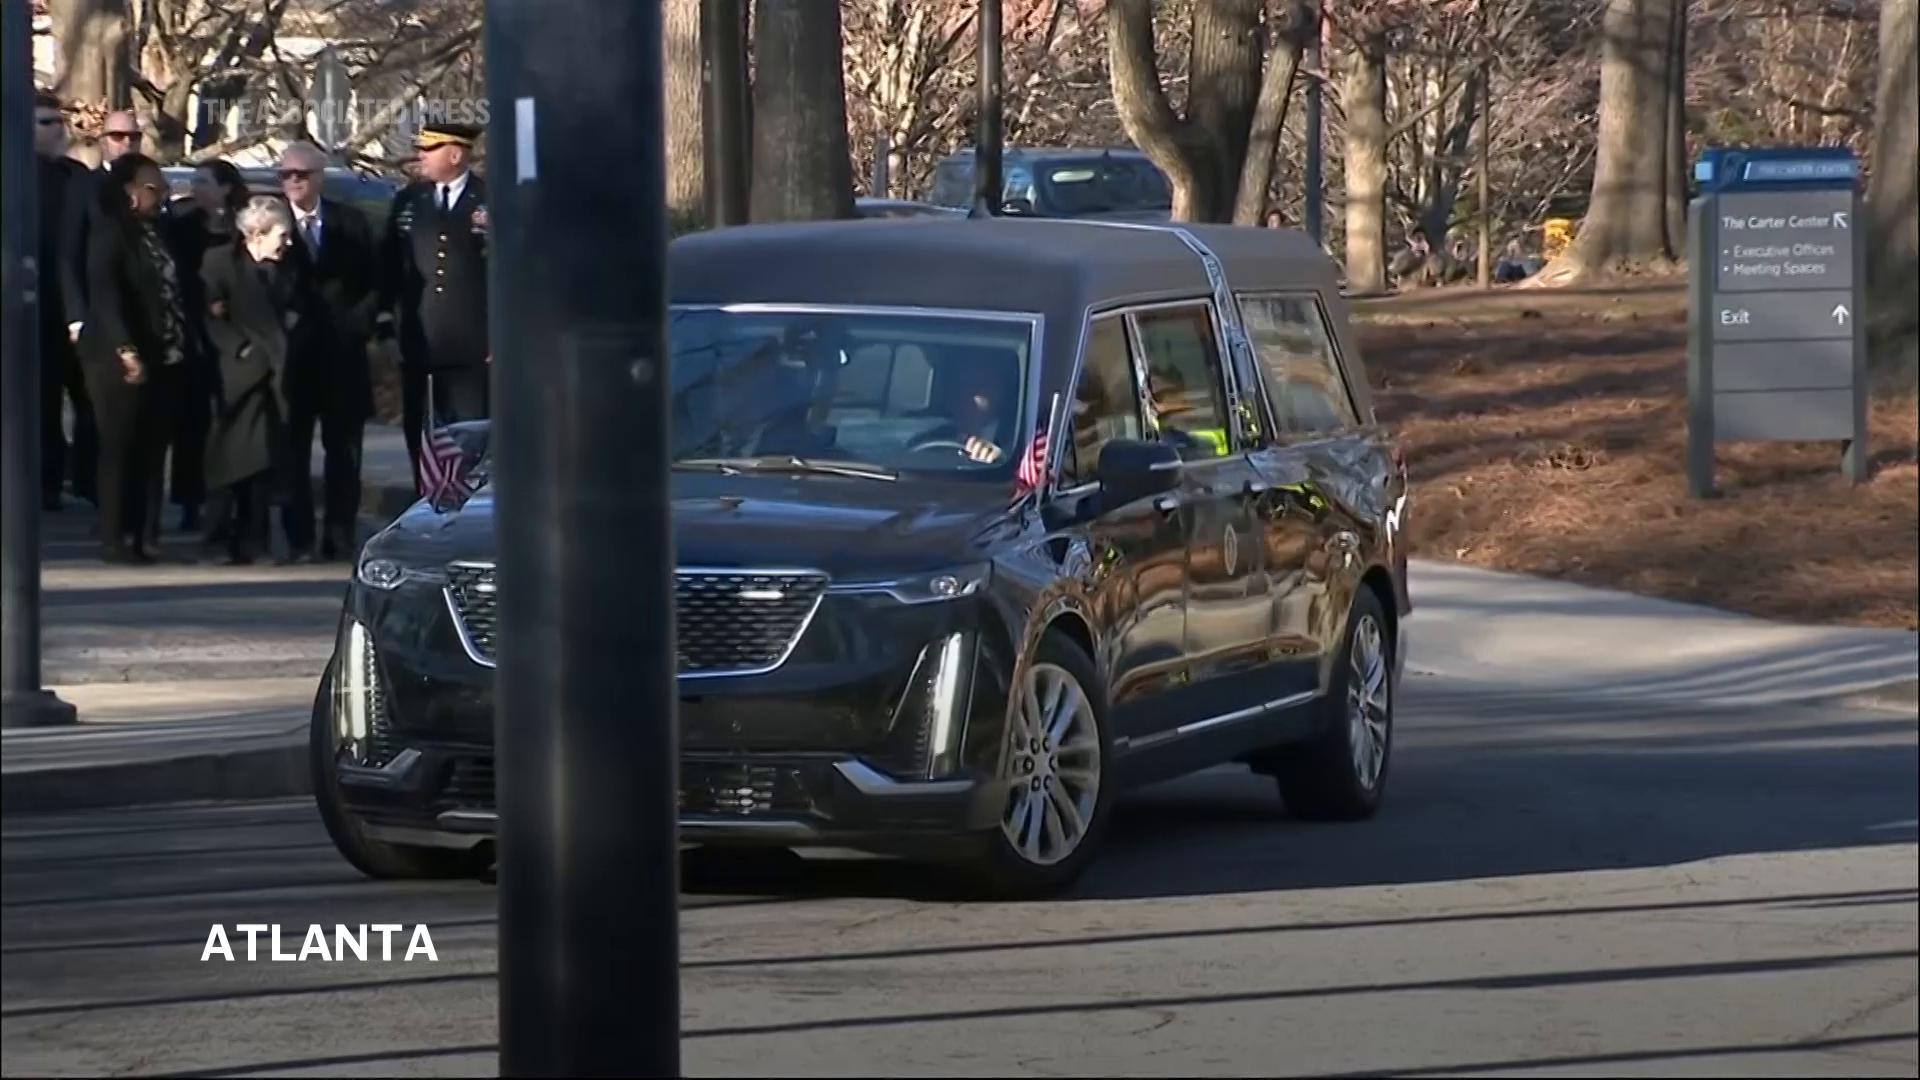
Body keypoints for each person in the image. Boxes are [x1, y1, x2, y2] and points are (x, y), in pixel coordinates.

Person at [77, 153, 186, 565]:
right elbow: (105, 299)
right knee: (119, 446)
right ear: (129, 193)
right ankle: (115, 537)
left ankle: (147, 533)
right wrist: (126, 349)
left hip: (165, 352)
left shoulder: (160, 233)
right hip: (114, 355)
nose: (160, 196)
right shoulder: (109, 236)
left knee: (153, 448)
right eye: (152, 187)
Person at [200, 197, 317, 564]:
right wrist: (243, 350)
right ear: (256, 234)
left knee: (265, 462)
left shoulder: (289, 267)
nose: (288, 243)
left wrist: (293, 330)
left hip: (276, 378)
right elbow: (210, 317)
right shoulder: (220, 263)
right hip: (237, 378)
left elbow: (302, 305)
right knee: (231, 460)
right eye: (281, 235)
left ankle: (256, 540)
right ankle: (219, 539)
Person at [279, 141, 380, 561]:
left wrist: (359, 326)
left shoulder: (350, 222)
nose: (294, 183)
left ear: (319, 177)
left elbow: (375, 282)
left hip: (342, 355)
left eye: (302, 175)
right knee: (291, 452)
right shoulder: (267, 222)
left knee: (344, 451)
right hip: (291, 358)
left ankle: (339, 534)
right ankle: (299, 537)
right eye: (285, 175)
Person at [378, 123, 490, 476]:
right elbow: (389, 267)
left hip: (473, 345)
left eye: (431, 149)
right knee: (422, 436)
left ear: (455, 154)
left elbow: (510, 272)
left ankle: (465, 513)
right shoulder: (411, 200)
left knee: (470, 436)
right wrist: (385, 326)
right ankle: (425, 508)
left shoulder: (490, 199)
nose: (421, 156)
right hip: (419, 341)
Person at [162, 158, 247, 538]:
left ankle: (231, 501)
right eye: (194, 181)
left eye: (204, 181)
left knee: (233, 419)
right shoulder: (182, 227)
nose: (196, 187)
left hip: (237, 331)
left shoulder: (243, 226)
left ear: (225, 187)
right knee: (192, 421)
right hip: (194, 331)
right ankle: (191, 502)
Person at [32, 90, 96, 511]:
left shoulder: (80, 178)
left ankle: (88, 480)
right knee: (41, 402)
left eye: (60, 122)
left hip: (79, 310)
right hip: (32, 311)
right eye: (46, 123)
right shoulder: (15, 176)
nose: (59, 130)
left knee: (90, 400)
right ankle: (46, 482)